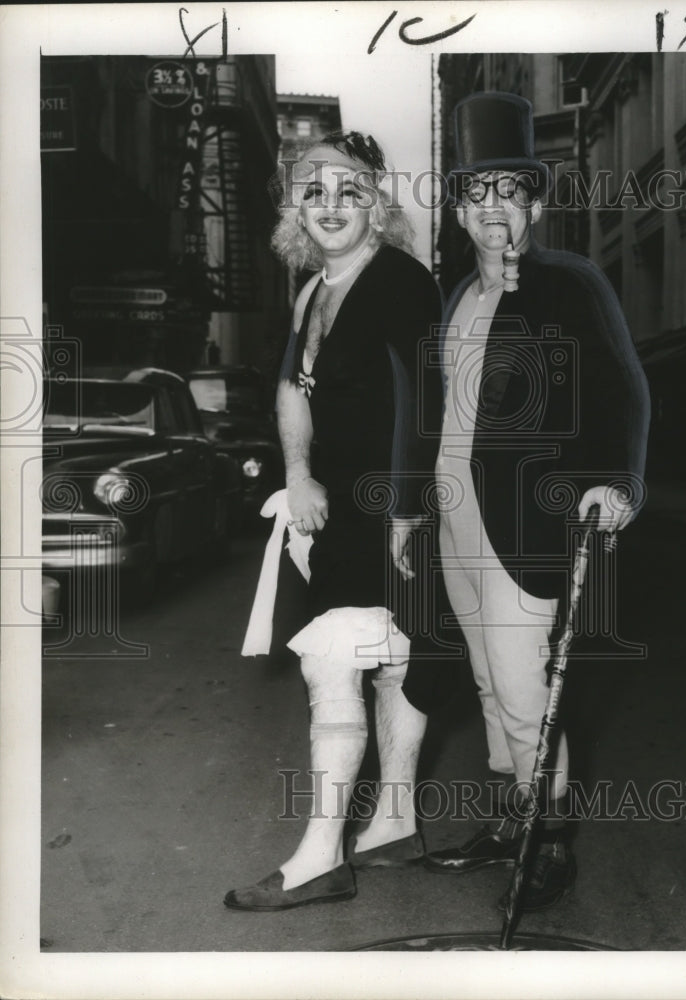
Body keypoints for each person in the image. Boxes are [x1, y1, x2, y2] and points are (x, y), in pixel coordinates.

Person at [423, 93, 650, 912]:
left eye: (510, 192)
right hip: (458, 519)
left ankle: (548, 845)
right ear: (457, 209)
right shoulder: (459, 297)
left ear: (535, 205)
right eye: (477, 193)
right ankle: (507, 824)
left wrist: (616, 481)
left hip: (525, 519)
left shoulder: (567, 282)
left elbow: (622, 389)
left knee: (526, 691)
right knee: (486, 681)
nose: (493, 208)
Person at [225, 131, 443, 911]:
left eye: (348, 190)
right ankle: (392, 823)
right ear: (295, 207)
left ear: (376, 205)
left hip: (392, 497)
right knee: (387, 657)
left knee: (336, 661)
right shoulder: (313, 291)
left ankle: (322, 856)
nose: (330, 205)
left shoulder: (401, 280)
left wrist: (409, 509)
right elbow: (293, 389)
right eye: (313, 190)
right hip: (338, 495)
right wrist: (297, 472)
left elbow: (426, 399)